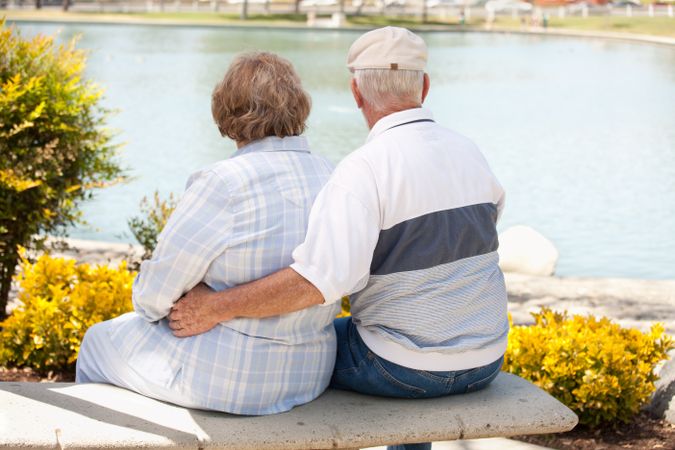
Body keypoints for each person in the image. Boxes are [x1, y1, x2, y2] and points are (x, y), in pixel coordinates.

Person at [171, 27, 508, 449]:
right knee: (401, 340)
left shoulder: (364, 169)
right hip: (486, 359)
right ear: (424, 86)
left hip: (400, 368)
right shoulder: (470, 152)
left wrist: (214, 308)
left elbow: (317, 282)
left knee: (292, 353)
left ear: (355, 91)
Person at [75, 52, 341, 415]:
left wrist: (208, 299)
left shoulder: (224, 183)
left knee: (96, 342)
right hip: (310, 374)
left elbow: (152, 298)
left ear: (227, 111)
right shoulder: (333, 175)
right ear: (298, 106)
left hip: (231, 378)